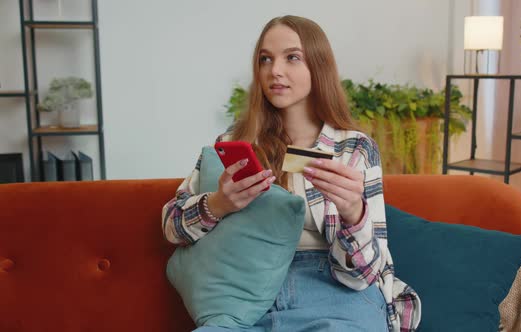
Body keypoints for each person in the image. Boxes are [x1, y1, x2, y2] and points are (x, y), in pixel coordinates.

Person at [162, 15, 420, 332]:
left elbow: (363, 275)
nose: (275, 71)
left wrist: (354, 213)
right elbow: (171, 226)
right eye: (265, 59)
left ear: (318, 65)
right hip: (247, 295)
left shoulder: (354, 148)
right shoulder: (234, 144)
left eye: (292, 57)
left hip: (334, 291)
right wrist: (218, 204)